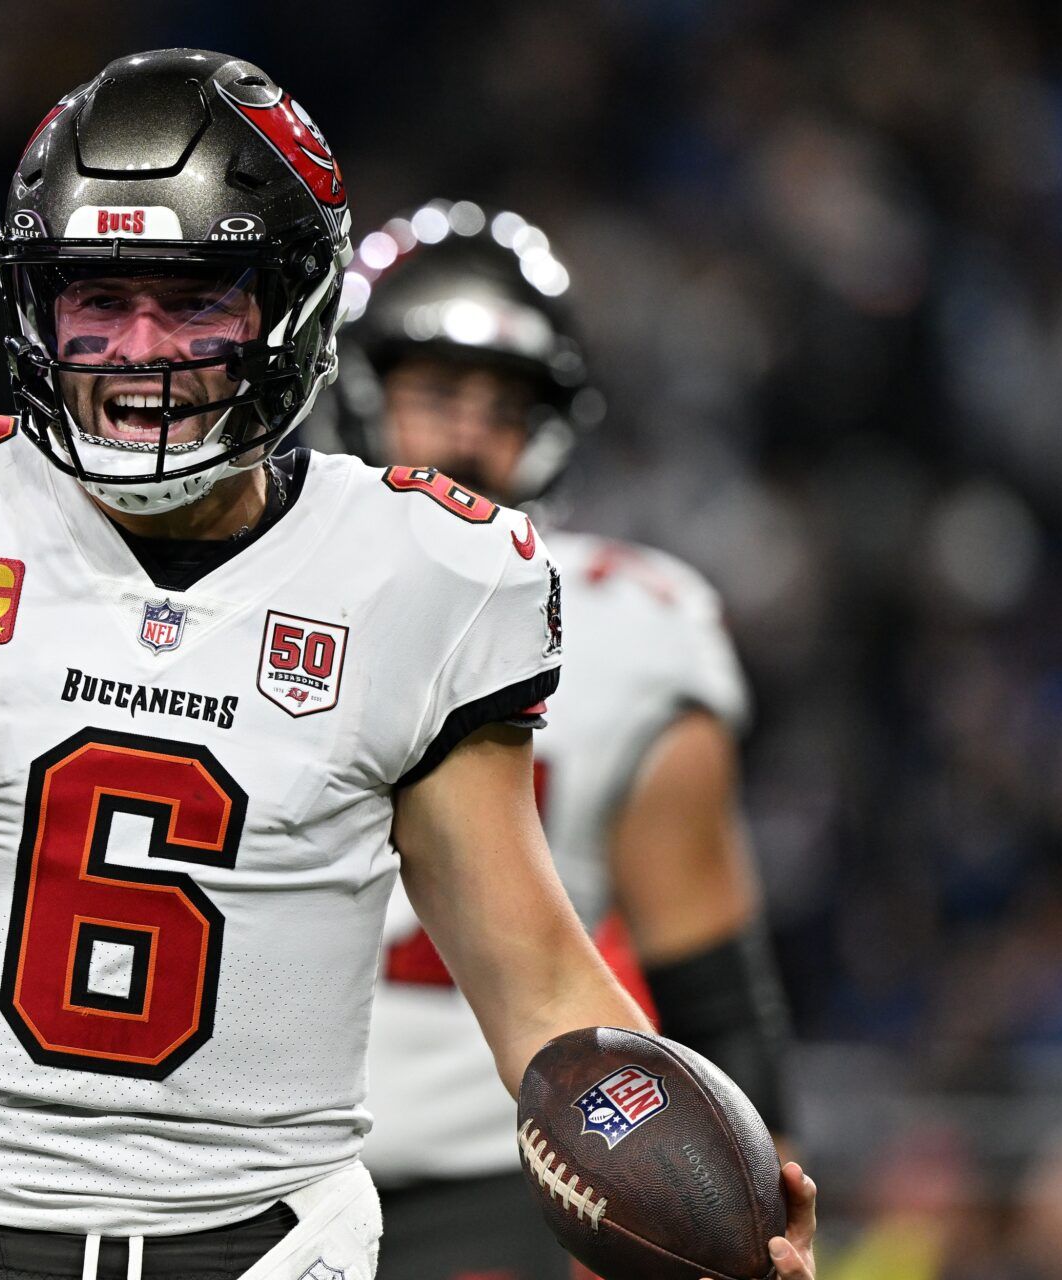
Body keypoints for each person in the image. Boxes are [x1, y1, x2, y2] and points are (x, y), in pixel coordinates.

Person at [0, 53, 819, 1280]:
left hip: (258, 1249)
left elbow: (540, 989)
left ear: (291, 309)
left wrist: (724, 1221)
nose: (139, 349)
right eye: (97, 296)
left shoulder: (417, 571)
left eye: (193, 302)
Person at [330, 201, 797, 1280]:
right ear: (357, 385)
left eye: (504, 405)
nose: (466, 437)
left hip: (507, 1181)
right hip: (251, 1161)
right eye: (437, 394)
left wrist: (757, 1217)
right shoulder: (248, 586)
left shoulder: (634, 631)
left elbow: (713, 987)